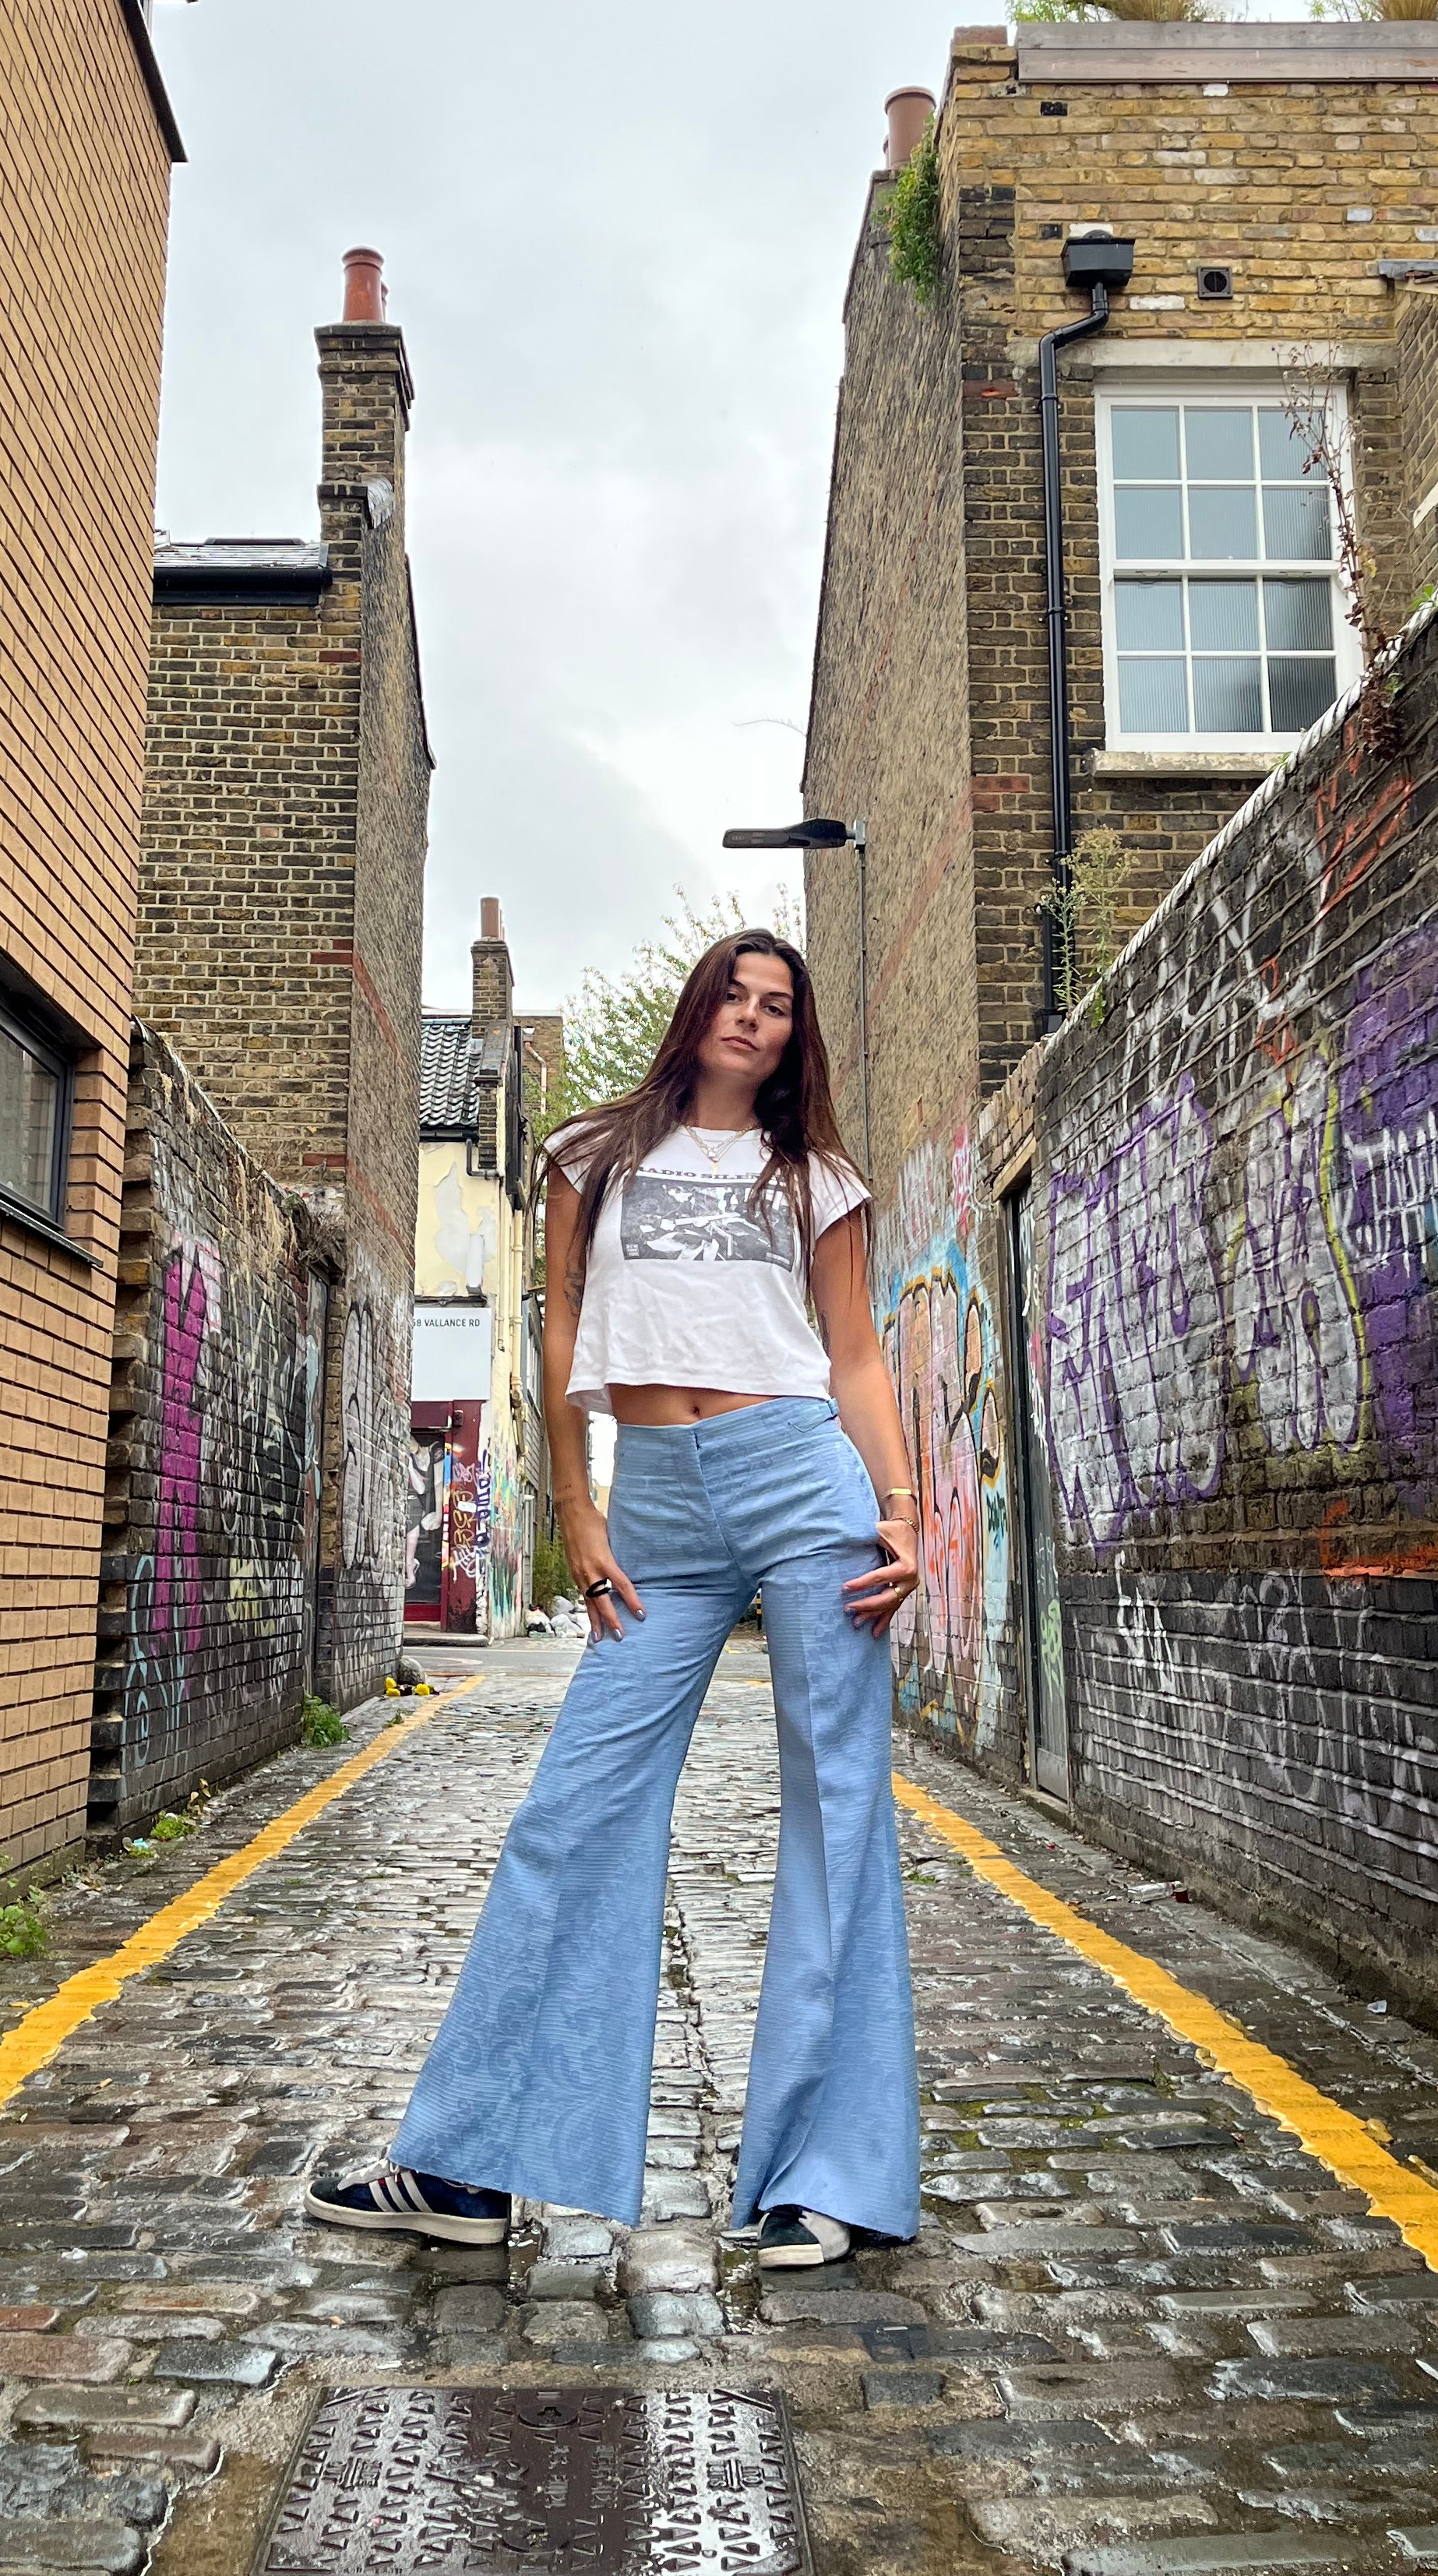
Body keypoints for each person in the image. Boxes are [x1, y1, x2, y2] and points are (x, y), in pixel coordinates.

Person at [308, 929, 922, 2269]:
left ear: (792, 1036)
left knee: (840, 1809)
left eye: (778, 1008)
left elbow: (859, 1354)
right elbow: (561, 1329)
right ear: (697, 1008)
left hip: (800, 1480)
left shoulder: (816, 1176)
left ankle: (830, 2177)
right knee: (572, 1810)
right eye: (735, 997)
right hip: (654, 1504)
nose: (753, 1021)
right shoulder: (592, 1153)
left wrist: (905, 1506)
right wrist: (577, 1508)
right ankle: (473, 2168)